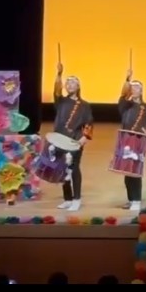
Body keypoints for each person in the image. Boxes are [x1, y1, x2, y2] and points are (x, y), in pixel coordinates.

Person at [52, 62, 94, 212]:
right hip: (59, 139)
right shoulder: (61, 101)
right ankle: (67, 199)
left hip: (75, 140)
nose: (70, 84)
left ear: (78, 86)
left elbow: (89, 122)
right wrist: (59, 74)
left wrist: (85, 137)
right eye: (68, 82)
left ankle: (77, 199)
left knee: (74, 168)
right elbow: (57, 89)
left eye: (73, 82)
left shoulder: (84, 105)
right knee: (63, 169)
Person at [117, 75, 146, 212]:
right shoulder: (125, 105)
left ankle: (136, 200)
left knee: (135, 170)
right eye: (132, 87)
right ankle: (131, 199)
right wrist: (127, 80)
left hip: (138, 141)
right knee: (126, 171)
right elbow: (123, 94)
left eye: (137, 87)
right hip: (125, 140)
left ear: (141, 91)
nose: (134, 89)